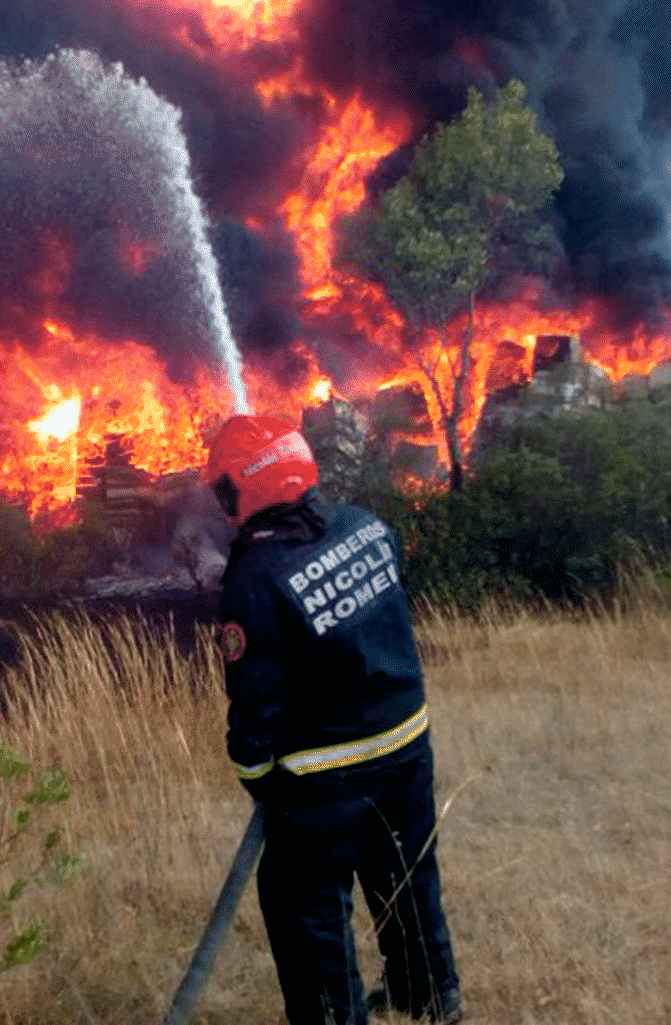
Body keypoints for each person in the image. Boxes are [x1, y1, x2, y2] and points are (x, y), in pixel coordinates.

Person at [205, 414, 461, 1025]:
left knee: (304, 907)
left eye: (226, 489)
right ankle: (430, 996)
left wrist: (255, 770)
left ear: (251, 486)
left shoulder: (255, 579)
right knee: (405, 874)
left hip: (326, 775)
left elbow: (256, 700)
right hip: (406, 742)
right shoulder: (365, 526)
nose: (223, 503)